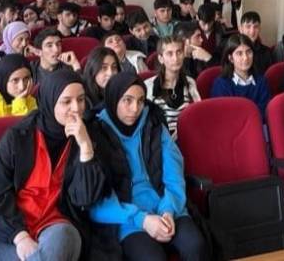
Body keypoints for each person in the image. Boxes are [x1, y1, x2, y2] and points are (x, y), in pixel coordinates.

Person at [0, 69, 106, 261]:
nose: (76, 108)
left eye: (81, 99)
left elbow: (85, 200)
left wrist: (85, 147)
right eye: (66, 101)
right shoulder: (18, 137)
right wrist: (20, 237)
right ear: (50, 101)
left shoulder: (87, 135)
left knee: (64, 240)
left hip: (54, 226)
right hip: (5, 231)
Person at [89, 72, 208, 261]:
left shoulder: (152, 122)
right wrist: (142, 220)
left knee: (195, 246)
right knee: (152, 258)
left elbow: (174, 172)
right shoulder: (96, 132)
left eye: (141, 100)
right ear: (113, 100)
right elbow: (97, 197)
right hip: (126, 216)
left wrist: (168, 210)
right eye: (127, 100)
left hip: (166, 204)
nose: (135, 108)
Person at [143, 37, 200, 138]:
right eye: (170, 54)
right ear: (161, 59)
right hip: (161, 140)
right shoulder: (148, 86)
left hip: (188, 136)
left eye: (179, 52)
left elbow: (198, 114)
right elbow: (146, 124)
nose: (176, 58)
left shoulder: (190, 83)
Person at [211, 34, 270, 120]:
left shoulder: (262, 81)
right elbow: (222, 116)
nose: (245, 58)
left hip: (257, 127)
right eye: (239, 53)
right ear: (231, 58)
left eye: (249, 52)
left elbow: (265, 113)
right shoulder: (221, 85)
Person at [238, 11, 274, 76]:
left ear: (260, 28)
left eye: (256, 27)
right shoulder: (233, 50)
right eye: (248, 26)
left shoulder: (266, 52)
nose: (252, 31)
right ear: (240, 29)